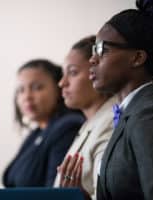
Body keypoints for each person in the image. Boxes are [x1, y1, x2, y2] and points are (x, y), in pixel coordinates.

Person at [87, 0, 153, 199]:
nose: (92, 59)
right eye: (93, 50)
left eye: (102, 49)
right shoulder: (131, 113)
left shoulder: (151, 117)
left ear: (137, 58)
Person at [2, 59, 85, 187]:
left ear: (59, 89)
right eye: (21, 90)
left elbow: (55, 192)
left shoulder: (68, 127)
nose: (27, 96)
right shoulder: (36, 133)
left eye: (37, 88)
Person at [53, 36, 117, 200]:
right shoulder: (91, 122)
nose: (62, 83)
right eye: (63, 74)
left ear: (98, 72)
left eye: (73, 72)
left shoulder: (112, 122)